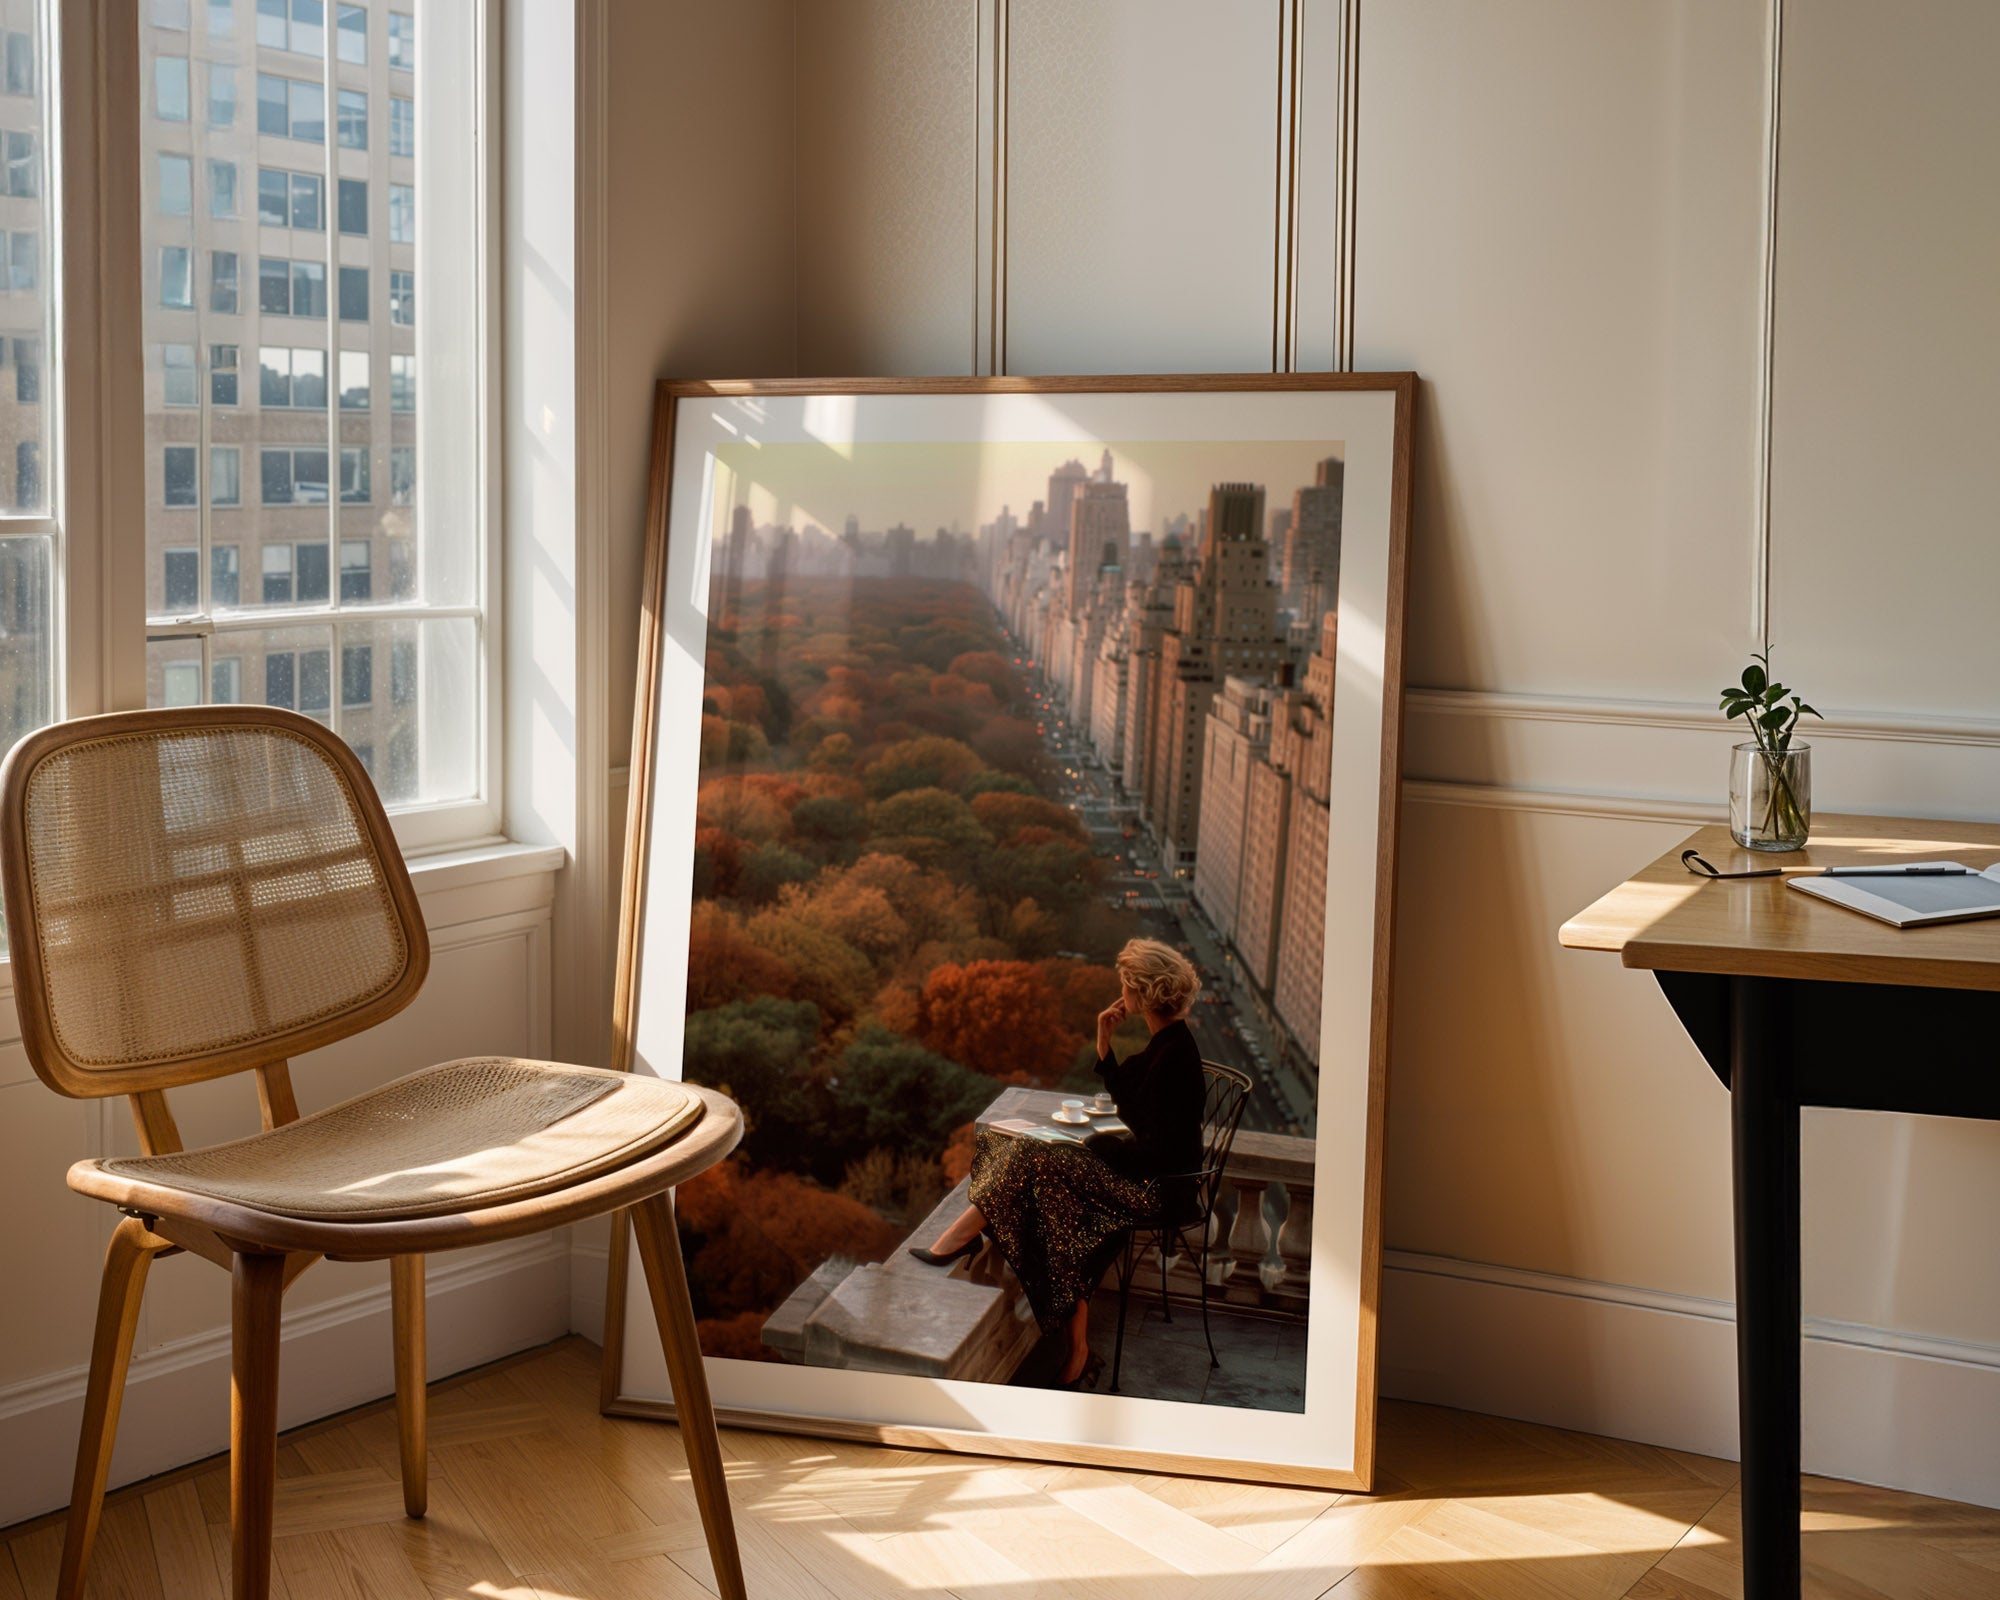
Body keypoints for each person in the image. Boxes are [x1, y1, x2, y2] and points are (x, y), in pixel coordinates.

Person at [909, 938, 1206, 1387]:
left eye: (1125, 984)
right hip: (1149, 1177)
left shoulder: (1174, 1058)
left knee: (1030, 1155)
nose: (1120, 993)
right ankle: (1077, 1347)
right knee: (1050, 1193)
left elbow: (1158, 1154)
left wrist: (1098, 1149)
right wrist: (1104, 1043)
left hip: (1158, 1191)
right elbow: (1133, 1106)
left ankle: (963, 1233)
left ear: (1141, 993)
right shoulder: (1169, 1044)